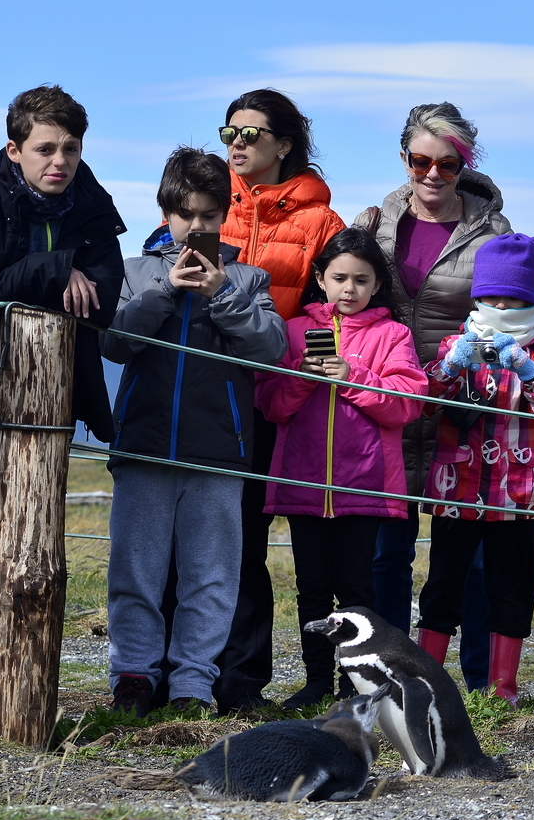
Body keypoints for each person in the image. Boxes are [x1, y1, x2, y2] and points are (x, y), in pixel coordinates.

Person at [0, 84, 126, 727]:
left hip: (53, 390)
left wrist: (39, 282)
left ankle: (26, 682)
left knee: (39, 542)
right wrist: (52, 271)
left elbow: (107, 297)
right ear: (15, 149)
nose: (58, 161)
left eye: (69, 148)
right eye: (44, 149)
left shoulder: (91, 204)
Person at [101, 147, 285, 716]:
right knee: (136, 573)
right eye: (187, 215)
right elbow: (113, 342)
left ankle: (192, 685)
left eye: (209, 215)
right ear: (166, 212)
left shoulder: (249, 279)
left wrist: (221, 296)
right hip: (144, 448)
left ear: (224, 213)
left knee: (210, 579)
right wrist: (164, 293)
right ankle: (133, 675)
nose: (198, 227)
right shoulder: (133, 273)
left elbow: (272, 350)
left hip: (217, 454)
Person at [353, 103, 512, 689]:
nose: (433, 174)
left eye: (448, 163)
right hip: (388, 405)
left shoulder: (495, 235)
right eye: (421, 160)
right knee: (384, 555)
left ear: (464, 163)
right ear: (404, 159)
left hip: (460, 410)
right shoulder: (374, 221)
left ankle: (475, 683)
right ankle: (390, 677)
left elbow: (510, 321)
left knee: (463, 560)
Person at [213, 89, 345, 714]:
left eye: (252, 134)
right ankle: (218, 679)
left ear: (285, 144)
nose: (237, 144)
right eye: (229, 132)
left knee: (286, 547)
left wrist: (309, 373)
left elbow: (329, 311)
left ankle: (267, 680)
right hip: (213, 398)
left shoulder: (321, 223)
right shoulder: (210, 206)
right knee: (227, 542)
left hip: (285, 404)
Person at [255, 229, 426, 709]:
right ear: (319, 279)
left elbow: (406, 405)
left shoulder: (393, 335)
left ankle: (356, 685)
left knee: (357, 590)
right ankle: (315, 682)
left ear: (377, 285)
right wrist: (302, 379)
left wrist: (353, 376)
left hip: (366, 487)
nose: (349, 289)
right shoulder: (291, 332)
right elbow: (270, 405)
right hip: (302, 486)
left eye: (361, 280)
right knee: (311, 589)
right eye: (340, 278)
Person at [416, 233, 534, 705]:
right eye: (492, 296)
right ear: (477, 297)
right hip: (458, 488)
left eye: (514, 298)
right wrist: (448, 364)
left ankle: (502, 686)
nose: (502, 305)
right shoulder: (454, 344)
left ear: (530, 300)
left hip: (518, 492)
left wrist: (527, 368)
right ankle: (429, 684)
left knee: (512, 587)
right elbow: (423, 401)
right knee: (442, 585)